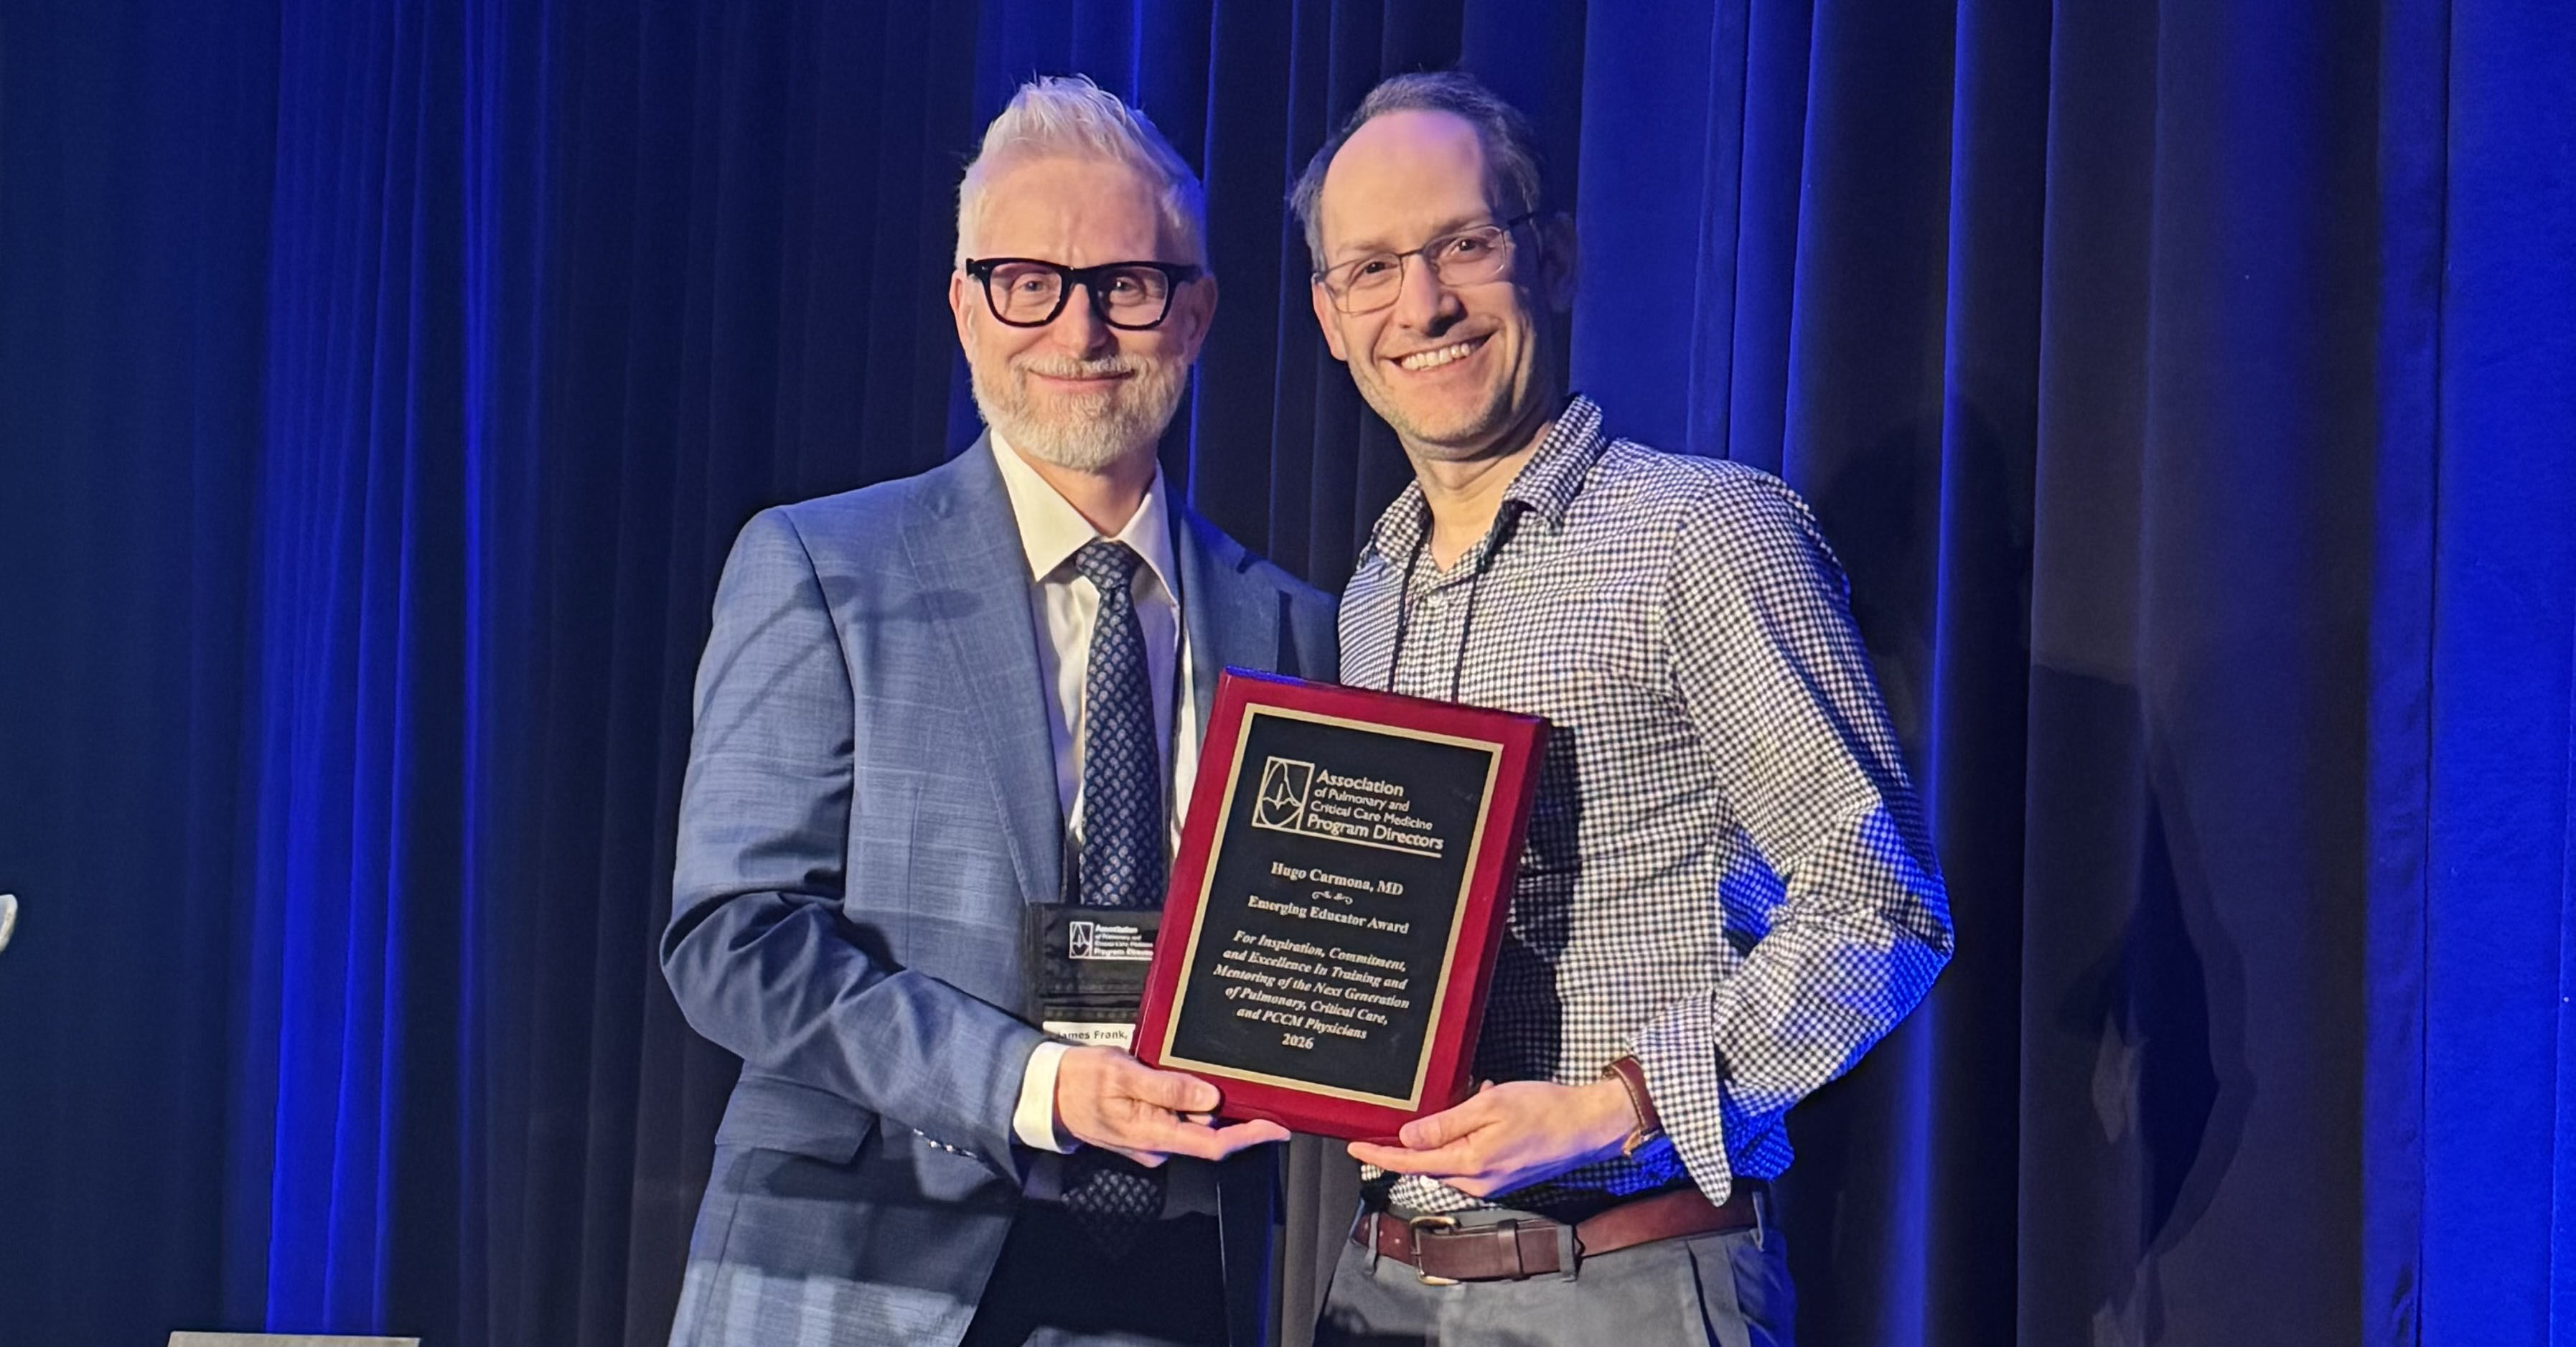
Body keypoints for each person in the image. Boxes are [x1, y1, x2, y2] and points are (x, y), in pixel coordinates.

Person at [662, 75, 1336, 1347]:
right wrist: (1040, 1086)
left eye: (1128, 284)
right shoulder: (820, 566)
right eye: (1029, 280)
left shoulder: (1299, 630)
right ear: (965, 306)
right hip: (864, 1278)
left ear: (1194, 313)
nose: (1078, 330)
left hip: (1183, 1272)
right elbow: (734, 938)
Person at [1289, 72, 1955, 1344]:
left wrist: (1615, 1101)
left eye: (1462, 246)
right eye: (1370, 269)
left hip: (1625, 1285)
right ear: (1329, 316)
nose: (1420, 304)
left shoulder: (1701, 534)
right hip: (1379, 1284)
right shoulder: (1377, 591)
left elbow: (1883, 909)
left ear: (1552, 258)